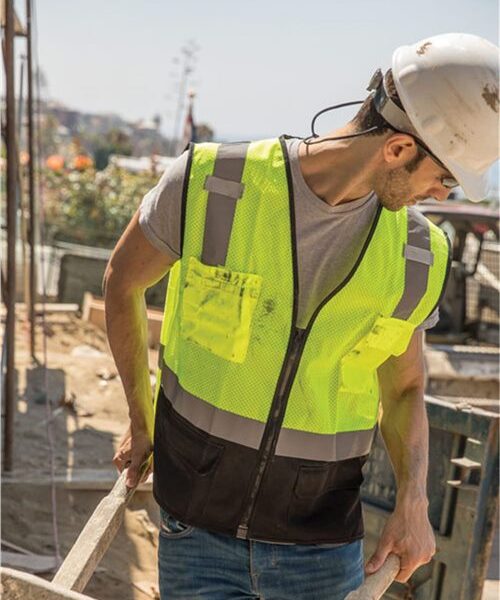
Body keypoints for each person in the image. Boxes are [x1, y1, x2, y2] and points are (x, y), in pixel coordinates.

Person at [103, 33, 499, 599]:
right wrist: (141, 418)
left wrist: (413, 501)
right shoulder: (214, 183)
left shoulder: (419, 254)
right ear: (397, 149)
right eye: (447, 176)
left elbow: (406, 386)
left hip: (320, 551)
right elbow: (123, 281)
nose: (441, 194)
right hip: (195, 530)